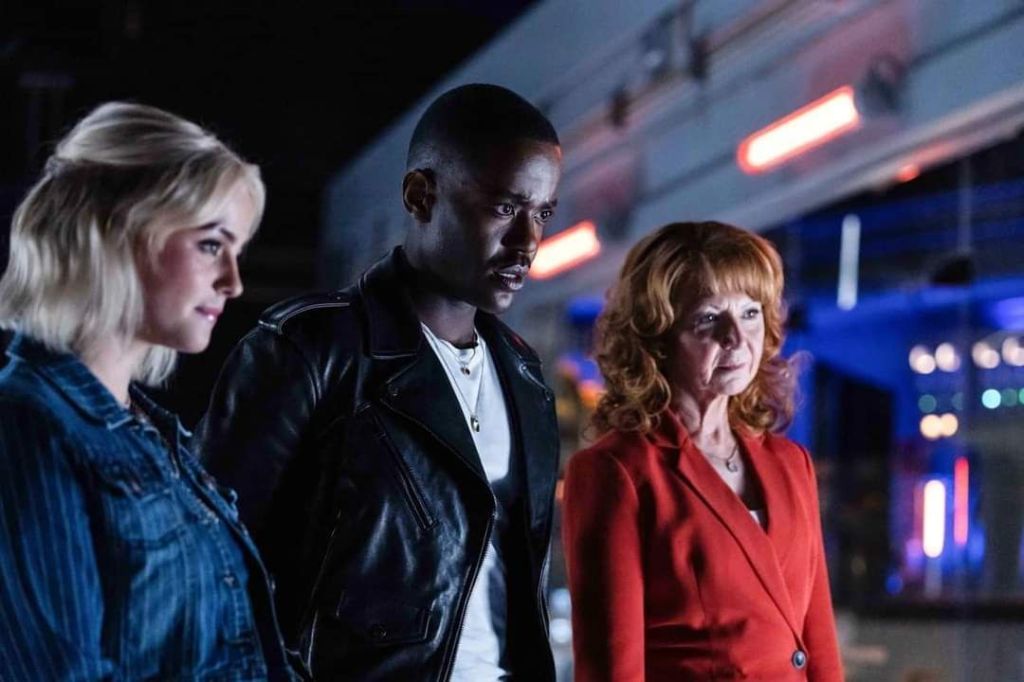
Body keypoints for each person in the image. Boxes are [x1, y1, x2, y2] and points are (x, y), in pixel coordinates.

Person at [195, 83, 563, 680]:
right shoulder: (309, 350)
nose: (527, 242)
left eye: (543, 213)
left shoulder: (525, 379)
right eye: (504, 208)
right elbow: (206, 570)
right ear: (421, 196)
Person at [0, 102, 296, 679]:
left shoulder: (151, 431)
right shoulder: (27, 426)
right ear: (120, 231)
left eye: (237, 251)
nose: (234, 282)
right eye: (211, 245)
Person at [562, 221, 843, 681]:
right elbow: (612, 669)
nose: (737, 337)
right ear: (657, 336)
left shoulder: (792, 463)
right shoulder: (615, 471)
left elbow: (819, 643)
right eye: (709, 318)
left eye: (750, 312)